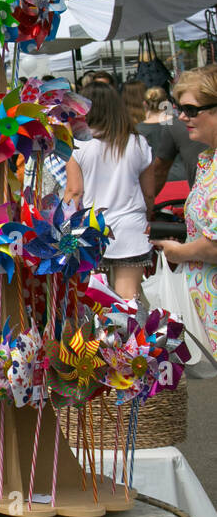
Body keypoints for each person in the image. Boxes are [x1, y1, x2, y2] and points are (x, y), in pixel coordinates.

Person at [64, 82, 154, 301]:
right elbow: (149, 193)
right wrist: (148, 217)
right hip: (131, 227)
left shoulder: (77, 146)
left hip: (92, 228)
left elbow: (74, 192)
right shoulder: (138, 143)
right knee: (128, 299)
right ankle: (133, 335)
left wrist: (65, 230)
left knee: (96, 298)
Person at [155, 65, 217, 344]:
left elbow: (214, 244)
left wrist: (180, 252)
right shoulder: (208, 159)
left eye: (191, 110)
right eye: (180, 108)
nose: (181, 117)